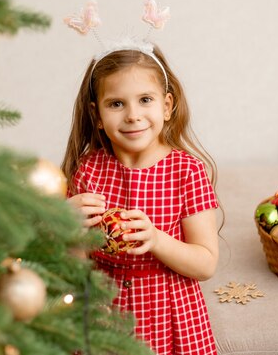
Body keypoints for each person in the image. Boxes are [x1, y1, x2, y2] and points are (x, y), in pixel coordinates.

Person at [62, 37, 221, 355]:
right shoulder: (90, 170)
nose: (132, 115)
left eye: (145, 100)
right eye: (116, 103)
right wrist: (68, 226)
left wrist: (156, 240)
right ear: (97, 115)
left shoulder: (186, 171)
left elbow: (205, 264)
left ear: (166, 106)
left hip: (168, 311)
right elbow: (75, 261)